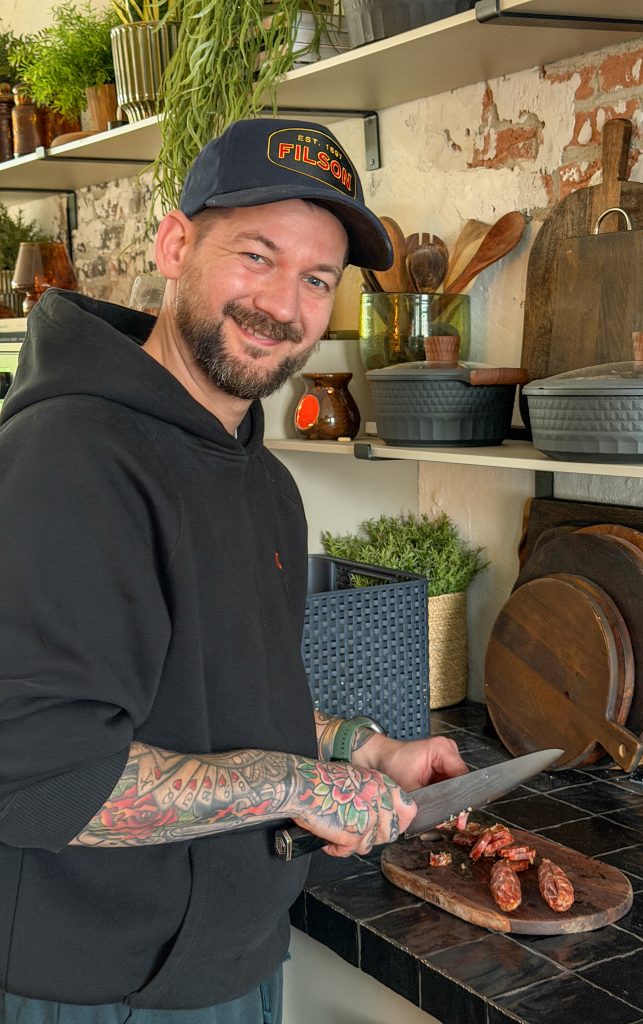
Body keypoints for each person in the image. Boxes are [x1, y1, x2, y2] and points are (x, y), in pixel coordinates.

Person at [0, 118, 467, 1022]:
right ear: (176, 244)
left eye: (317, 278)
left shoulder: (262, 479)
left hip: (236, 962)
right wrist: (302, 788)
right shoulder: (68, 460)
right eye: (257, 255)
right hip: (95, 991)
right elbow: (38, 771)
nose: (283, 304)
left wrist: (360, 749)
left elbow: (219, 686)